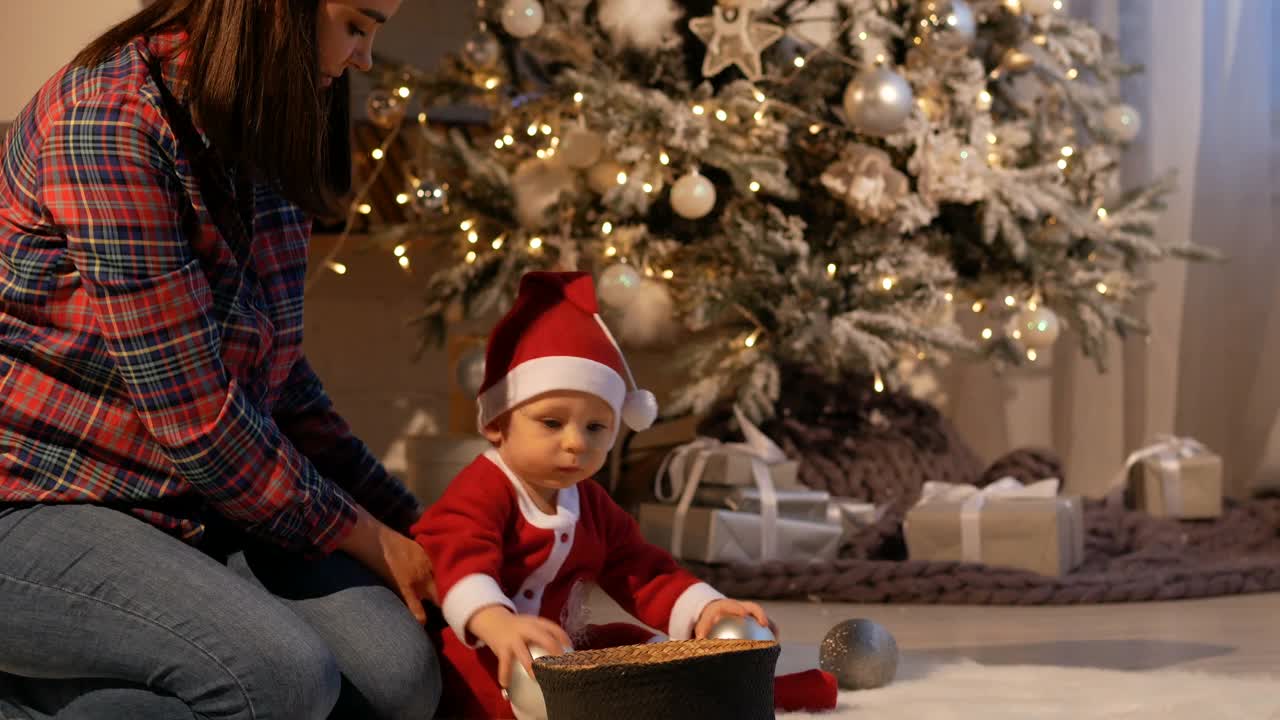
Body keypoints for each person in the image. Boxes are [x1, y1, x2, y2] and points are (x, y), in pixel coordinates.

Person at [0, 2, 441, 718]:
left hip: (188, 504)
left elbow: (282, 382)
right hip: (36, 502)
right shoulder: (107, 123)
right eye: (357, 26)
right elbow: (201, 422)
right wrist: (365, 536)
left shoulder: (260, 121)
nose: (364, 57)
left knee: (398, 678)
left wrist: (424, 534)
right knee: (282, 678)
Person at [412, 272, 773, 719]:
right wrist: (496, 621)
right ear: (497, 424)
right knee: (499, 693)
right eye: (551, 422)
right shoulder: (484, 487)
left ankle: (675, 685)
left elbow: (641, 570)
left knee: (640, 649)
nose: (576, 442)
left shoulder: (590, 502)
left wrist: (705, 607)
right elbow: (460, 560)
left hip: (562, 646)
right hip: (488, 647)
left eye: (595, 427)